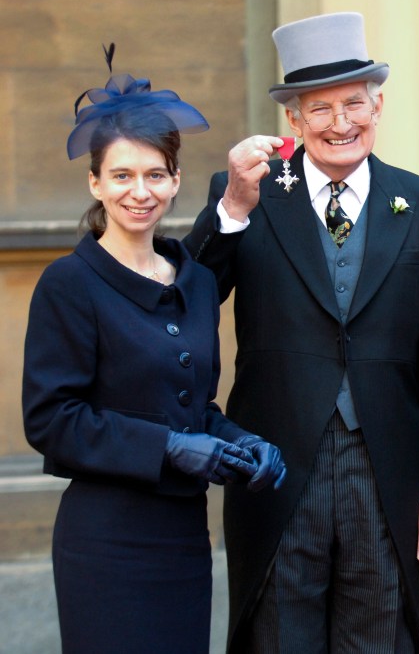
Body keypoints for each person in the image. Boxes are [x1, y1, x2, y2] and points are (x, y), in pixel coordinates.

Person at [182, 12, 419, 653]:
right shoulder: (247, 195)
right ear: (294, 119)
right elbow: (188, 302)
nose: (341, 123)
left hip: (385, 468)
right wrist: (229, 211)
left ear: (378, 104)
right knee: (281, 638)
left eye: (354, 104)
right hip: (276, 468)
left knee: (380, 640)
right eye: (320, 108)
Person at [21, 51, 287, 654]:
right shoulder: (69, 283)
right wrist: (166, 447)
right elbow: (51, 420)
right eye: (122, 176)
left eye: (156, 175)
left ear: (174, 181)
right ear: (95, 182)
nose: (140, 192)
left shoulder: (193, 279)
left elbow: (190, 408)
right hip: (104, 542)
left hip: (185, 540)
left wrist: (238, 441)